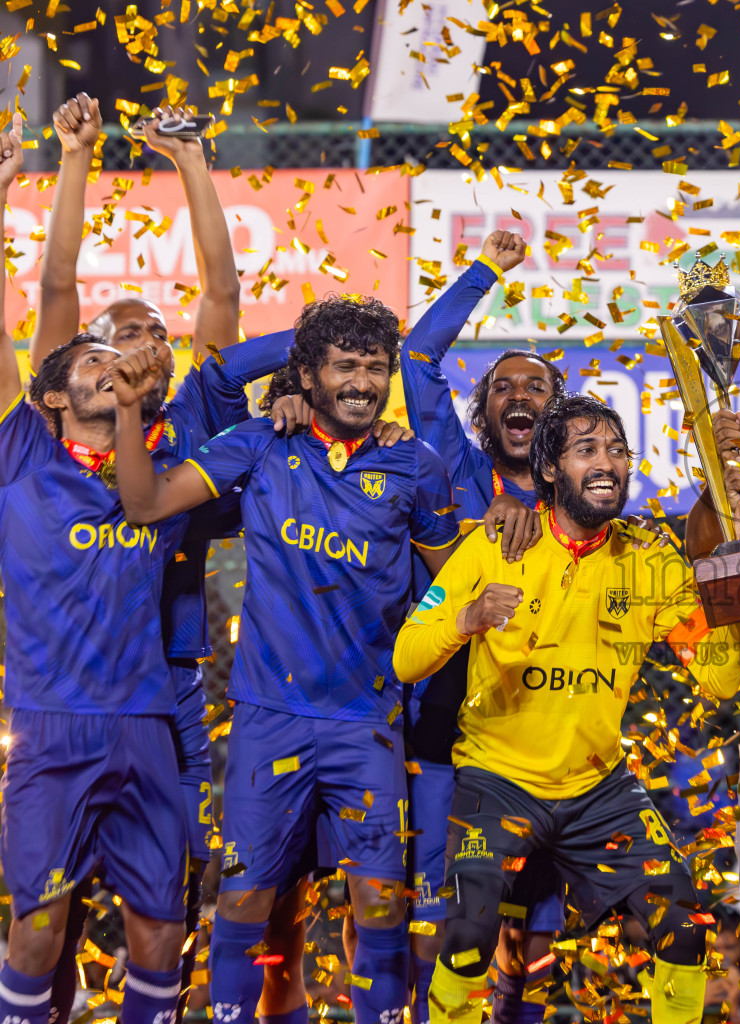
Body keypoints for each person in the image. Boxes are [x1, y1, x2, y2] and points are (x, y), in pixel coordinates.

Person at [106, 293, 466, 1024]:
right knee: (244, 901)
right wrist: (123, 413)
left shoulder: (415, 465)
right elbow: (145, 505)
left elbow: (451, 574)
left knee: (378, 902)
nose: (362, 381)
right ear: (308, 376)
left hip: (367, 725)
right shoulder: (261, 443)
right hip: (269, 720)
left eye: (374, 366)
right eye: (344, 366)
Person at [391, 393, 740, 1024]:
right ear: (551, 469)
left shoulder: (649, 560)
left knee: (687, 927)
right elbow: (406, 658)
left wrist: (736, 589)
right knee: (471, 936)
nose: (606, 461)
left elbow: (721, 681)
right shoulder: (491, 545)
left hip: (597, 790)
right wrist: (466, 621)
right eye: (586, 450)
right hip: (498, 781)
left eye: (616, 449)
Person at [0, 111, 193, 1024]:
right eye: (85, 354)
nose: (100, 358)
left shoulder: (155, 464)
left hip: (148, 722)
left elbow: (223, 321)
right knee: (38, 930)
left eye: (114, 356)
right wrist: (58, 163)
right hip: (51, 728)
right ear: (51, 388)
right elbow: (55, 285)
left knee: (161, 930)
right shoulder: (21, 450)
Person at [396, 229, 565, 1023]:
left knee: (528, 933)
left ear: (560, 415)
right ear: (484, 407)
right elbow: (417, 360)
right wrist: (486, 269)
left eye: (537, 385)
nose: (520, 394)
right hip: (444, 725)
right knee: (439, 915)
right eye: (503, 385)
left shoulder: (583, 499)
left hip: (542, 735)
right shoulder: (456, 469)